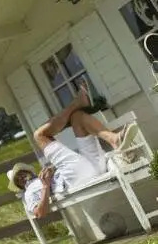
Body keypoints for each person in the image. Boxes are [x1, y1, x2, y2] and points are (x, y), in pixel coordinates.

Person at [7, 85, 137, 218]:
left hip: (94, 167)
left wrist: (52, 171)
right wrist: (46, 186)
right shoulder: (29, 193)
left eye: (22, 173)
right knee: (39, 136)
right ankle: (78, 102)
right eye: (18, 180)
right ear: (20, 187)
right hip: (77, 179)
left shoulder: (42, 175)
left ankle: (114, 139)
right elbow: (39, 213)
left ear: (29, 171)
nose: (22, 177)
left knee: (77, 117)